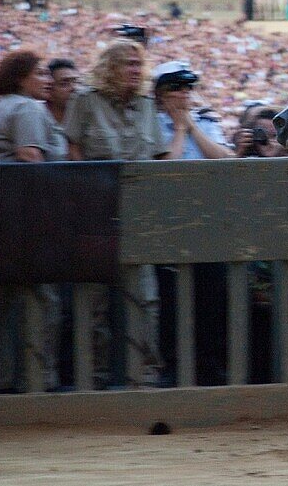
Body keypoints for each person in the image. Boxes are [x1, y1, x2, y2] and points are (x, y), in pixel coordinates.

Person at [63, 39, 169, 388]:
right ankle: (94, 377)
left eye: (139, 65)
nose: (135, 71)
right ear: (109, 67)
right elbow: (73, 149)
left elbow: (157, 158)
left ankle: (145, 377)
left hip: (138, 216)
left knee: (145, 299)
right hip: (95, 216)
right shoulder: (85, 100)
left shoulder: (146, 105)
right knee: (94, 305)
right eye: (127, 63)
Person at [0, 51, 68, 393]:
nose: (47, 79)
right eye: (39, 73)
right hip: (25, 219)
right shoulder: (25, 108)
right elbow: (31, 158)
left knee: (3, 306)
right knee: (42, 301)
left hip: (5, 218)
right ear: (21, 78)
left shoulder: (1, 107)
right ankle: (39, 383)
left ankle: (2, 381)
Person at [151, 61, 233, 386]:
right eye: (176, 89)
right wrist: (179, 129)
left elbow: (225, 160)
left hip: (206, 225)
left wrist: (193, 127)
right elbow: (166, 166)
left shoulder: (205, 121)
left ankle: (210, 369)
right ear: (160, 94)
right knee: (172, 304)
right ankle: (173, 371)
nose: (184, 95)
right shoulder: (153, 123)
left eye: (188, 88)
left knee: (211, 301)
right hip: (168, 227)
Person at [46, 58, 79, 125]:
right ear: (48, 90)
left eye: (77, 82)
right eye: (64, 84)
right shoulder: (35, 118)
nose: (74, 88)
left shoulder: (87, 120)